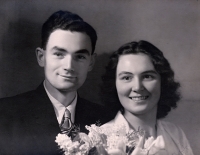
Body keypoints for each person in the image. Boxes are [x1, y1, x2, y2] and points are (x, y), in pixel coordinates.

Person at [0, 10, 112, 155]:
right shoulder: (5, 114)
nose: (69, 66)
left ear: (91, 62)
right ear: (41, 57)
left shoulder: (107, 120)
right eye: (59, 54)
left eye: (80, 56)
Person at [101, 40, 193, 155]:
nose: (137, 87)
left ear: (162, 82)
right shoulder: (100, 139)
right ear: (113, 84)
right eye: (126, 78)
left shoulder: (175, 134)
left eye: (147, 76)